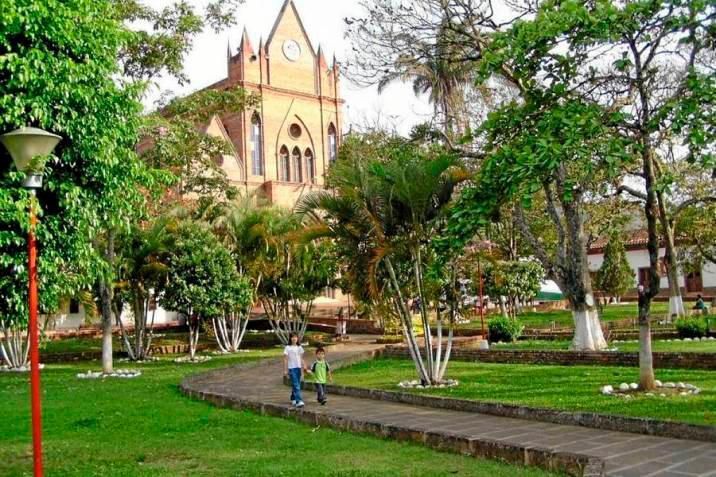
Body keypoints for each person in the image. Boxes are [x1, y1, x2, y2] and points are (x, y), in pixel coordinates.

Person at [283, 332, 306, 408]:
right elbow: (285, 359)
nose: (294, 338)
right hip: (291, 368)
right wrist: (285, 370)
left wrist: (304, 367)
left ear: (297, 338)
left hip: (298, 368)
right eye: (292, 337)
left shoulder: (299, 348)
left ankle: (293, 398)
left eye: (295, 337)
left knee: (296, 384)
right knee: (296, 385)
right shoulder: (287, 348)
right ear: (290, 338)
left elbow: (302, 359)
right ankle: (299, 401)